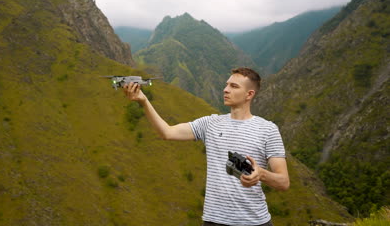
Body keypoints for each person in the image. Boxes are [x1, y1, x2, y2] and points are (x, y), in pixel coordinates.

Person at [123, 67, 289, 226]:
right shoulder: (210, 123)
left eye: (233, 86)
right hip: (213, 221)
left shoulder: (268, 129)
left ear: (249, 94)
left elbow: (283, 182)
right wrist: (144, 101)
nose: (225, 89)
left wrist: (261, 174)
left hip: (254, 222)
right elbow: (167, 132)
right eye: (226, 84)